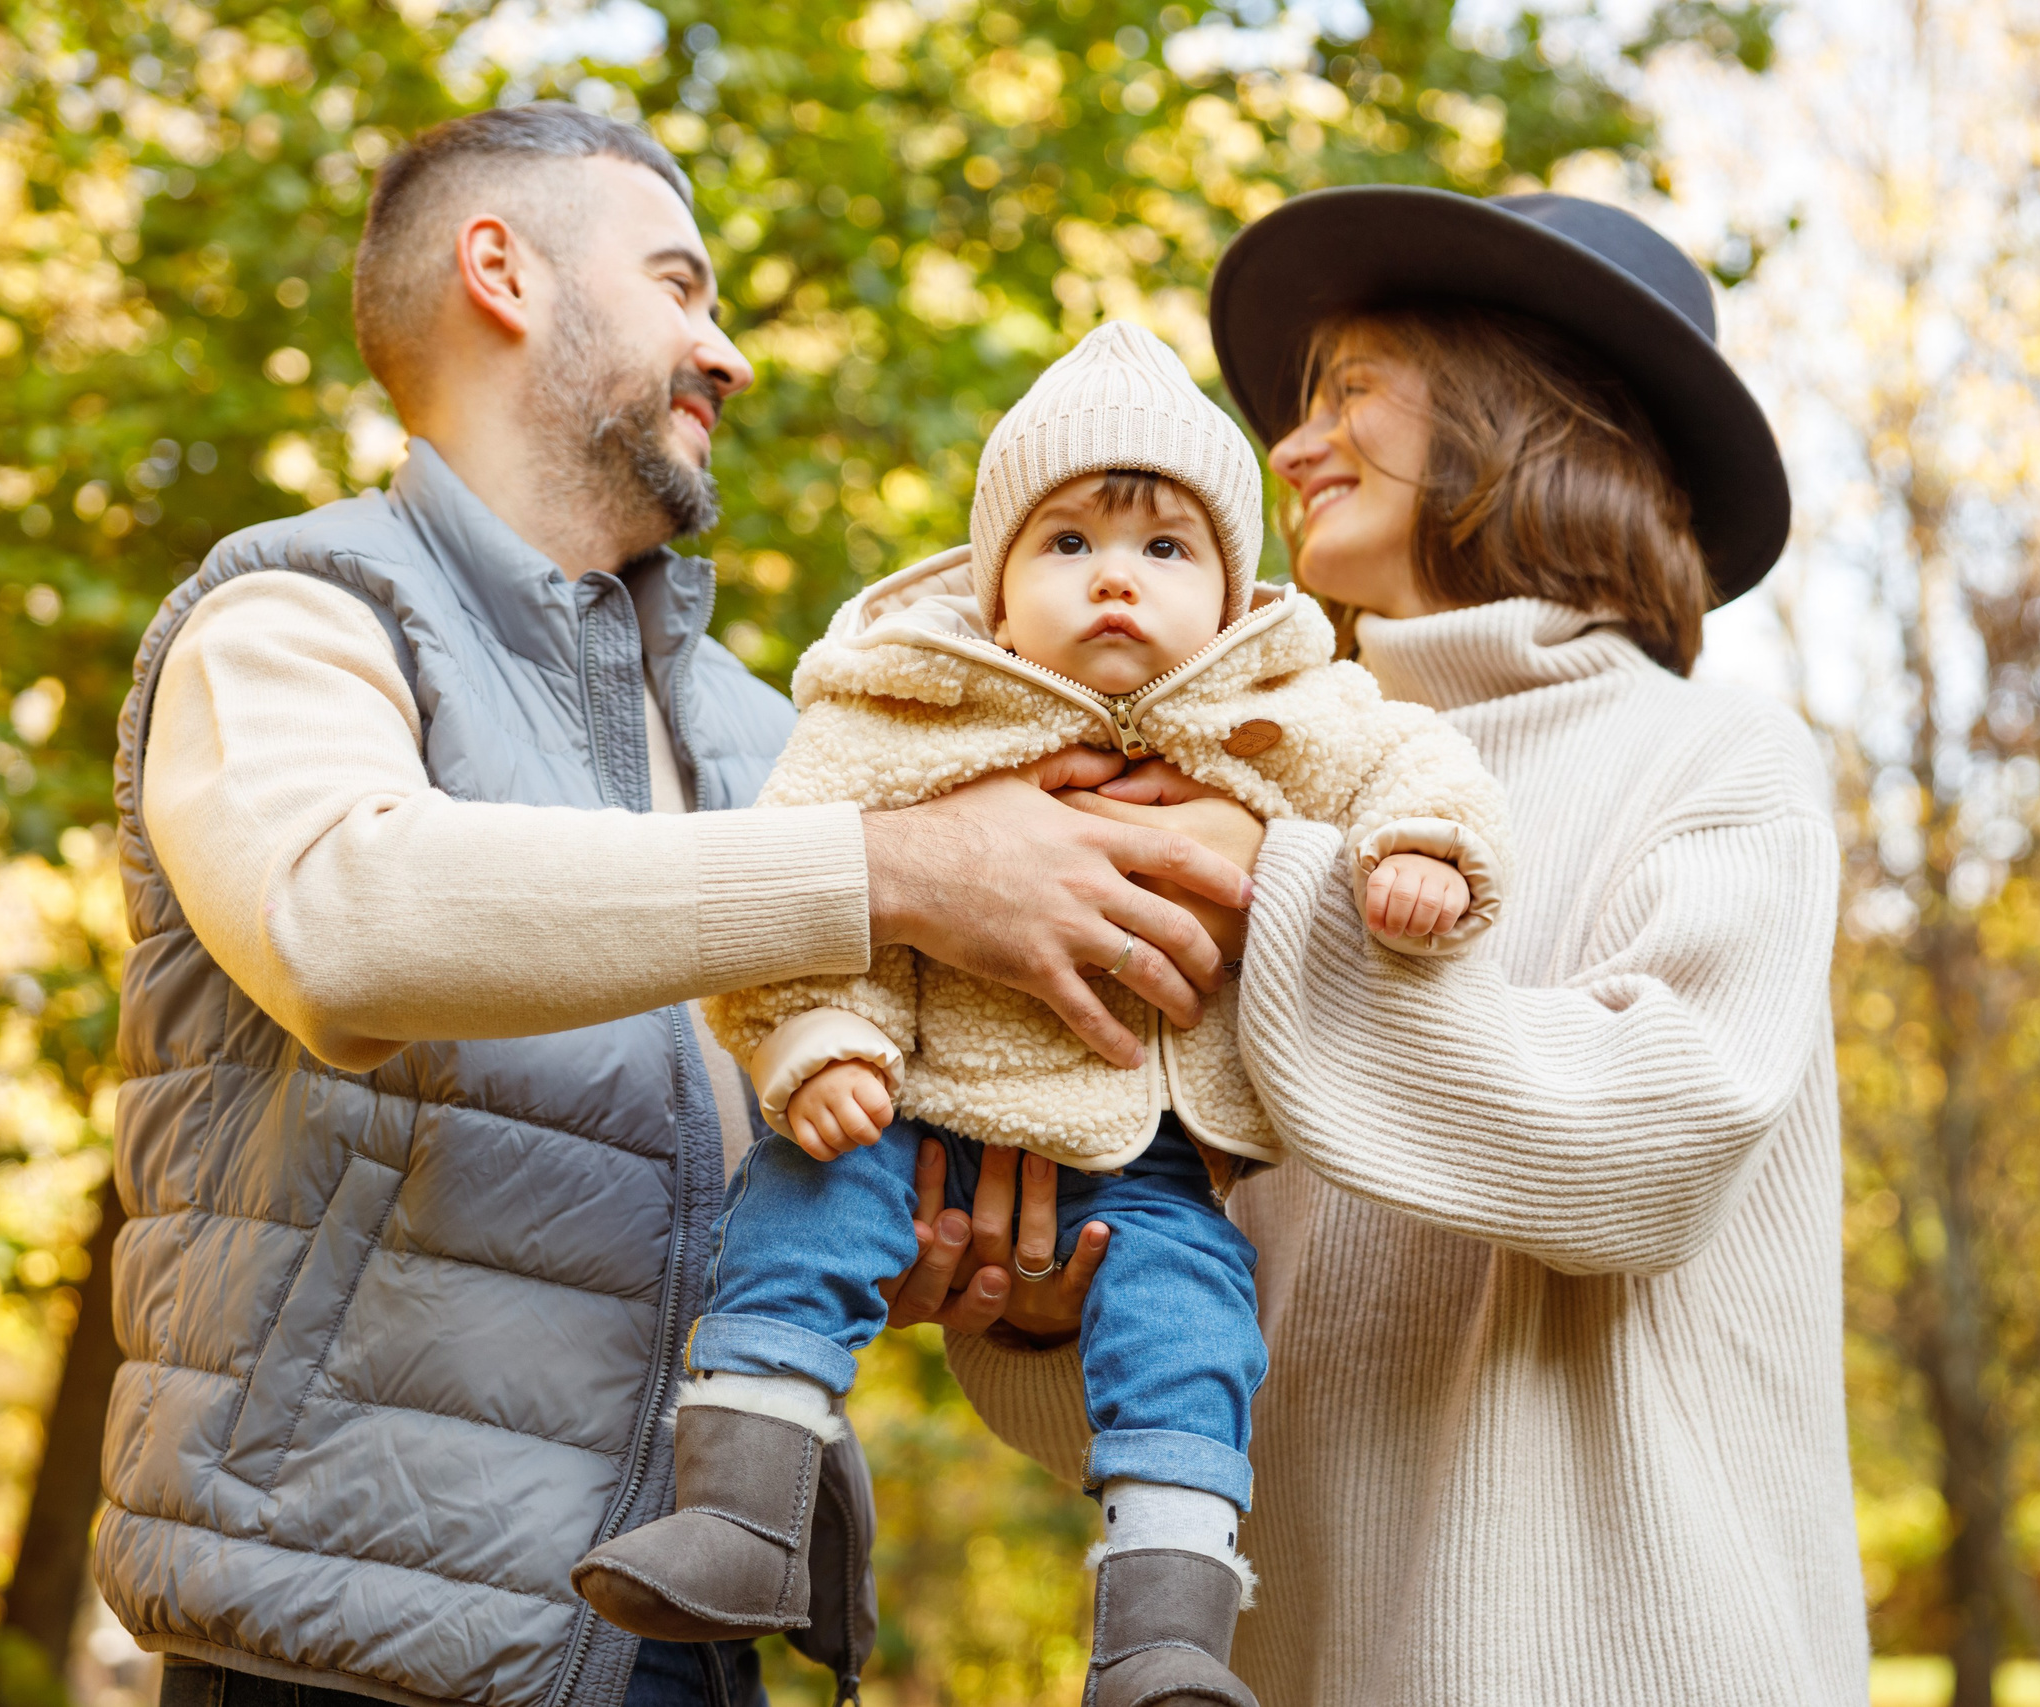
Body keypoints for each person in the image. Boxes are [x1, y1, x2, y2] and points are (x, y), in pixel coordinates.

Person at [93, 104, 1252, 1707]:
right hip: (357, 1620)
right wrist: (895, 871)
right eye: (681, 285)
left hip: (688, 1625)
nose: (733, 353)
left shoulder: (770, 730)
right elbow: (342, 919)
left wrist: (993, 1272)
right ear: (501, 269)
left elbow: (808, 1116)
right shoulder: (296, 609)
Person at [935, 189, 1873, 1704]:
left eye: (1352, 387)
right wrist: (1056, 1306)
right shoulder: (1262, 795)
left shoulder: (1720, 762)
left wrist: (1266, 896)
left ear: (1529, 409)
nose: (1292, 448)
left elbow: (1651, 1148)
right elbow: (1229, 1333)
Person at [565, 321, 1508, 1707]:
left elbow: (1413, 759)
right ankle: (742, 1510)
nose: (1115, 577)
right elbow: (802, 875)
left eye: (1166, 550)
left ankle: (1164, 1641)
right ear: (996, 588)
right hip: (917, 1109)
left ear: (1234, 593)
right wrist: (822, 1039)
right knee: (796, 1202)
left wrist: (1416, 847)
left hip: (1160, 1161)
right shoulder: (908, 700)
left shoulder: (1283, 702)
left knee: (1195, 1334)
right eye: (1067, 544)